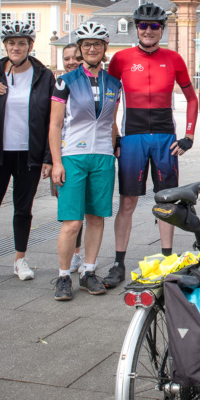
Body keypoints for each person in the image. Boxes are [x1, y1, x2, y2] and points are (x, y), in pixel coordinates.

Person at [103, 2, 198, 289]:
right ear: (136, 28)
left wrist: (189, 136)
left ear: (162, 30)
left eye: (154, 26)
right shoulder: (120, 58)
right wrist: (114, 134)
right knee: (128, 201)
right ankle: (119, 262)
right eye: (143, 25)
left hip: (165, 138)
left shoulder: (174, 59)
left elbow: (192, 98)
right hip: (132, 138)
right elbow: (110, 100)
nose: (148, 31)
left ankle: (167, 259)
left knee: (166, 200)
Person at [0, 20, 56, 282]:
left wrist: (48, 157)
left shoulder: (44, 75)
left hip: (29, 154)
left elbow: (52, 119)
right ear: (5, 46)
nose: (16, 47)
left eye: (22, 43)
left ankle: (20, 260)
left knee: (23, 209)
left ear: (30, 46)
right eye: (11, 43)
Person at [49, 22, 123, 301]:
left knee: (96, 218)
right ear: (80, 49)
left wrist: (115, 147)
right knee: (71, 222)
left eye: (97, 44)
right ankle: (64, 275)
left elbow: (112, 123)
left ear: (105, 49)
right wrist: (57, 162)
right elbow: (54, 125)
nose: (92, 49)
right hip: (73, 158)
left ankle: (89, 271)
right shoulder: (65, 82)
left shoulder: (114, 84)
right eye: (86, 45)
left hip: (103, 156)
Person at [57, 43, 86, 273]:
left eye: (76, 57)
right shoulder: (60, 84)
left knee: (83, 211)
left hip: (86, 153)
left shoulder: (86, 83)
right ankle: (65, 266)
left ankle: (77, 254)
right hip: (65, 154)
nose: (71, 62)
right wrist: (51, 160)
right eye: (67, 58)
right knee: (70, 215)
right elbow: (51, 125)